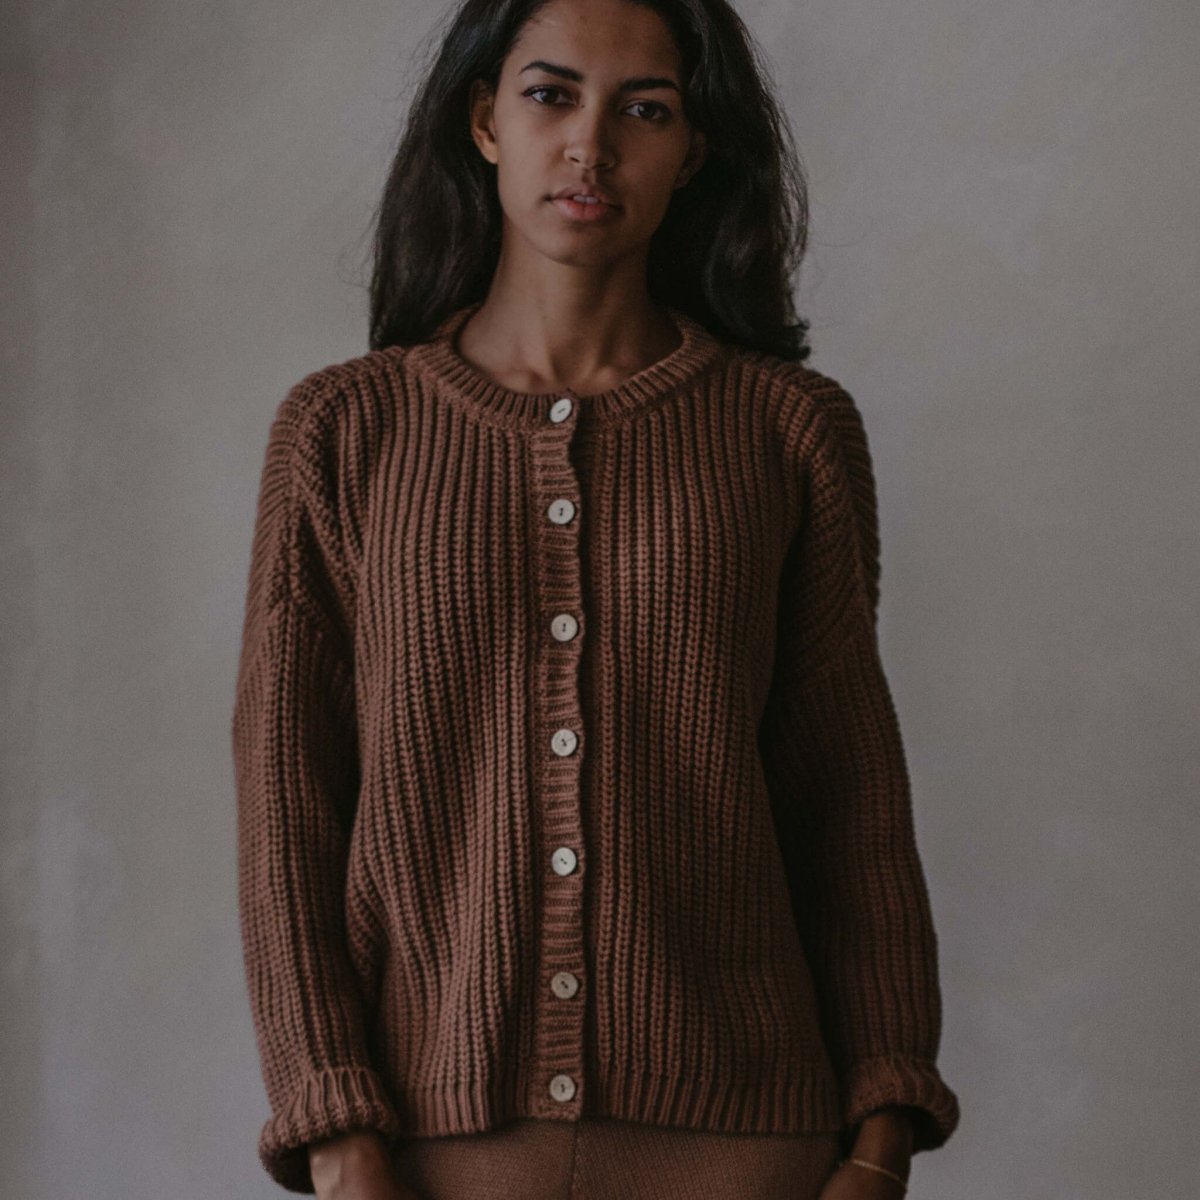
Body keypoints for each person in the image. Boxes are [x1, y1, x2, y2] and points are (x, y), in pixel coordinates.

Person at [230, 0, 962, 1196]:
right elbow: (286, 800)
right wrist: (334, 1127)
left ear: (697, 149)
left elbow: (850, 794)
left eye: (647, 109)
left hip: (747, 1138)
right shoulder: (344, 430)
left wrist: (882, 1131)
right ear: (483, 121)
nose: (592, 144)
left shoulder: (788, 432)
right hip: (427, 1147)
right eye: (551, 94)